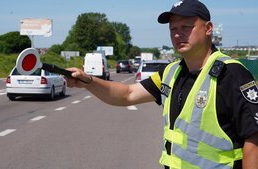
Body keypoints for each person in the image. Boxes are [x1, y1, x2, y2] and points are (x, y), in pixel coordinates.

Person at [65, 0, 258, 168]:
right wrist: (88, 82)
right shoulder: (171, 72)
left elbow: (254, 138)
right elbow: (127, 94)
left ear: (208, 28)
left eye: (186, 27)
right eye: (173, 29)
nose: (178, 34)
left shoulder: (231, 73)